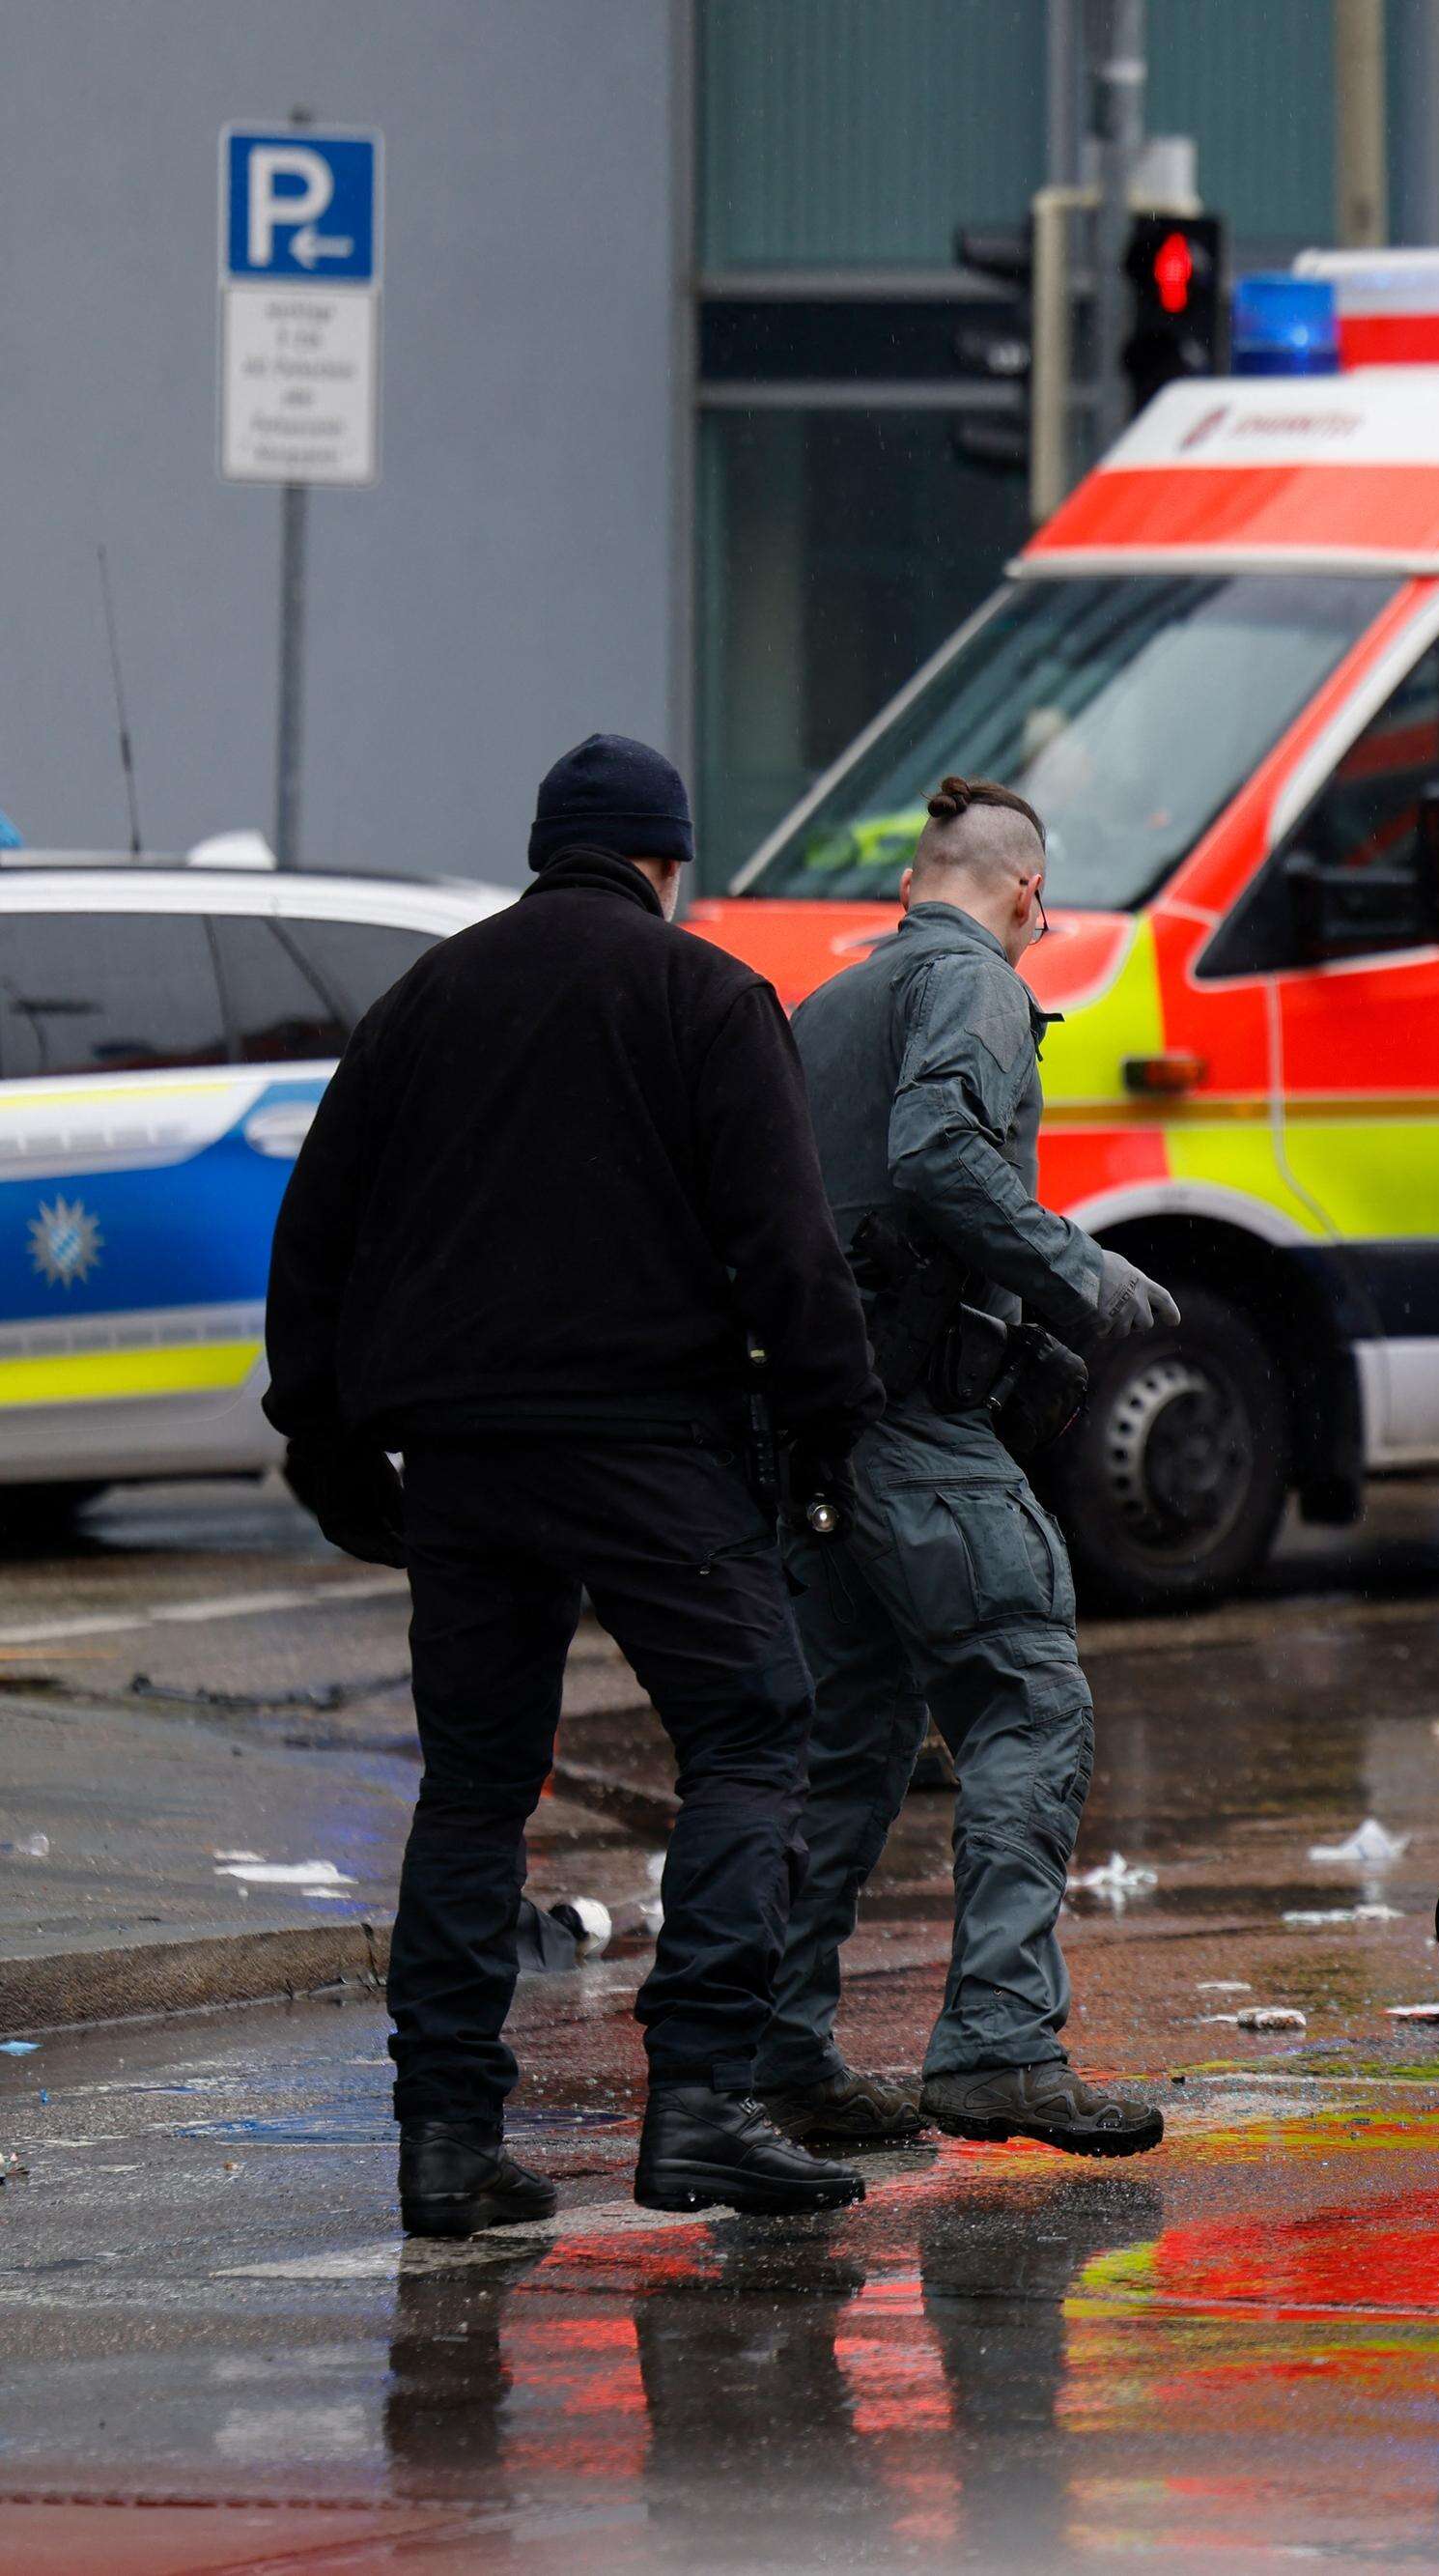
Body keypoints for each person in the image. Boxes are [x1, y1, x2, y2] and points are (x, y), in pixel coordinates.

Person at [266, 732, 883, 2235]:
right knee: (750, 1731)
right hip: (650, 1441)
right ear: (668, 861)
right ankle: (707, 2105)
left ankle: (446, 2143)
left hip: (465, 1454)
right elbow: (786, 1245)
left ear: (548, 847)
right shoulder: (704, 995)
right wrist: (833, 1423)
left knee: (476, 1785)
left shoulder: (427, 999)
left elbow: (317, 1229)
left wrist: (329, 1441)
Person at [754, 775, 1180, 2156]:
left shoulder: (826, 1012)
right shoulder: (981, 986)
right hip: (915, 1429)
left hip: (812, 1436)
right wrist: (1082, 1275)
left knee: (853, 1739)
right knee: (1026, 1701)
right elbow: (938, 1154)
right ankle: (998, 2044)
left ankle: (780, 2054)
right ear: (1022, 894)